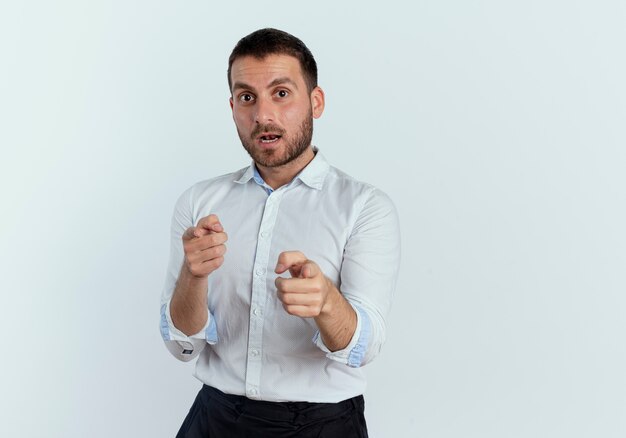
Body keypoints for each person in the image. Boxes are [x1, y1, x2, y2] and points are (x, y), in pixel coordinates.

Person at [160, 28, 401, 438]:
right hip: (214, 417)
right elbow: (182, 345)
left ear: (316, 101)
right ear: (232, 105)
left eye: (282, 93)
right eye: (247, 97)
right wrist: (193, 276)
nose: (263, 115)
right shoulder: (199, 203)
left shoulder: (364, 207)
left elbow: (363, 347)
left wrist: (327, 303)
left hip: (323, 425)